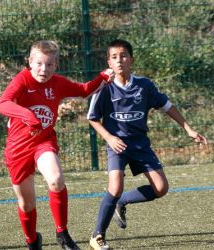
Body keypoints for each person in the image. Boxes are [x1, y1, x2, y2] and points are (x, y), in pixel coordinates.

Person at [87, 39, 208, 249]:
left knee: (161, 188)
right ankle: (97, 236)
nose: (119, 60)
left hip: (140, 145)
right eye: (114, 57)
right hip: (118, 145)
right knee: (114, 186)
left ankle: (122, 201)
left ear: (131, 60)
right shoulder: (103, 88)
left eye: (123, 56)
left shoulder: (145, 85)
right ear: (108, 62)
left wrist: (188, 128)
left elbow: (167, 106)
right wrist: (109, 138)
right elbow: (92, 118)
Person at [0, 40, 114, 250]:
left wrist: (102, 78)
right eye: (39, 63)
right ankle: (32, 241)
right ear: (30, 62)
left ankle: (62, 233)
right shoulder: (22, 80)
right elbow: (3, 103)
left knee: (56, 179)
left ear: (56, 65)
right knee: (27, 204)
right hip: (18, 147)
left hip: (43, 141)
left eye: (49, 64)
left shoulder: (57, 83)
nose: (44, 69)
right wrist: (28, 115)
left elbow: (84, 90)